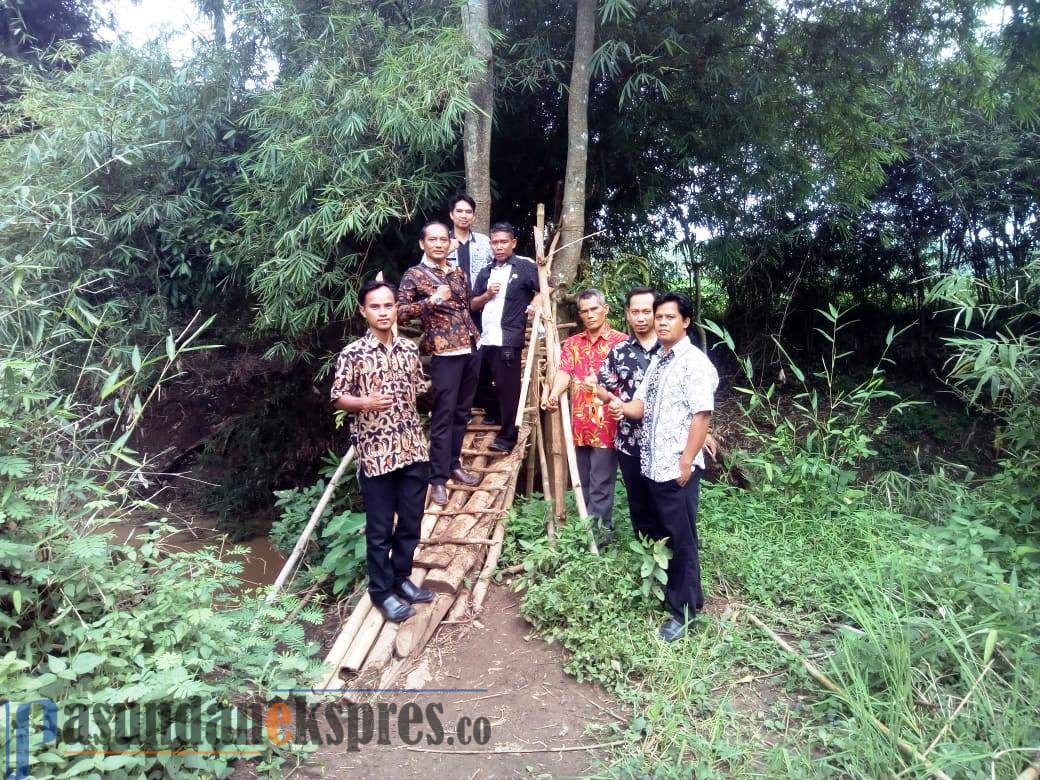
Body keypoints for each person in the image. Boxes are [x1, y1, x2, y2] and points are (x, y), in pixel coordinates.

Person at [608, 292, 719, 641]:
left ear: (685, 321)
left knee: (682, 538)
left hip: (676, 467)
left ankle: (683, 614)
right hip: (652, 464)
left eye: (670, 317)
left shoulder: (694, 363)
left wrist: (687, 460)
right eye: (659, 317)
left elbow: (702, 415)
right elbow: (640, 405)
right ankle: (690, 597)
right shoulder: (660, 360)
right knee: (666, 531)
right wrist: (620, 408)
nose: (661, 322)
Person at [330, 281, 436, 623]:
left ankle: (401, 579)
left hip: (413, 449)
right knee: (378, 531)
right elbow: (338, 397)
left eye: (388, 305)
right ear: (363, 311)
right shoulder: (352, 354)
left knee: (411, 521)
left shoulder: (407, 349)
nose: (383, 312)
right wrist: (365, 403)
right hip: (376, 455)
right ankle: (381, 592)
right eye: (375, 306)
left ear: (395, 309)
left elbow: (422, 386)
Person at [397, 221, 482, 506]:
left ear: (449, 243)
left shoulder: (458, 273)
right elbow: (399, 313)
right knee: (443, 417)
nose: (438, 244)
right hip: (445, 356)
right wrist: (432, 300)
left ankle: (454, 464)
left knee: (462, 413)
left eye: (443, 239)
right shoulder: (414, 274)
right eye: (432, 239)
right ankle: (437, 480)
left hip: (471, 349)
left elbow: (465, 308)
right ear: (422, 244)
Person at [545, 289, 627, 544]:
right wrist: (553, 394)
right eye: (584, 311)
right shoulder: (573, 343)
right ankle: (588, 529)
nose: (590, 315)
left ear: (606, 309)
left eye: (594, 309)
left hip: (608, 424)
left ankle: (600, 535)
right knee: (582, 480)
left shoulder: (621, 342)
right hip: (579, 424)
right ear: (579, 314)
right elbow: (565, 371)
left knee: (601, 481)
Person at [594, 287, 662, 542]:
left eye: (647, 311)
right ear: (627, 314)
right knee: (638, 497)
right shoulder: (620, 351)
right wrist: (614, 401)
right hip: (629, 440)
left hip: (664, 440)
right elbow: (601, 385)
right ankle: (646, 546)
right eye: (636, 312)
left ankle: (668, 546)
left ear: (657, 313)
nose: (641, 318)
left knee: (664, 495)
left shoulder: (671, 349)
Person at [471, 222, 540, 453]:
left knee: (507, 388)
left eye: (503, 242)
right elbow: (472, 303)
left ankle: (507, 438)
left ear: (513, 243)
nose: (499, 247)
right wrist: (487, 294)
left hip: (508, 339)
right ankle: (496, 412)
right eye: (495, 242)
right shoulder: (485, 272)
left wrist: (534, 302)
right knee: (474, 383)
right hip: (485, 339)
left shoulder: (524, 266)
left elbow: (546, 289)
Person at [447, 192, 498, 423]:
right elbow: (423, 271)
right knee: (457, 361)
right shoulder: (441, 242)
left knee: (482, 358)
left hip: (481, 309)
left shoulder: (485, 243)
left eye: (468, 212)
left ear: (474, 216)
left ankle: (488, 407)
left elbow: (504, 260)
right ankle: (462, 413)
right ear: (451, 214)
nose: (464, 215)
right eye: (459, 211)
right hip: (452, 314)